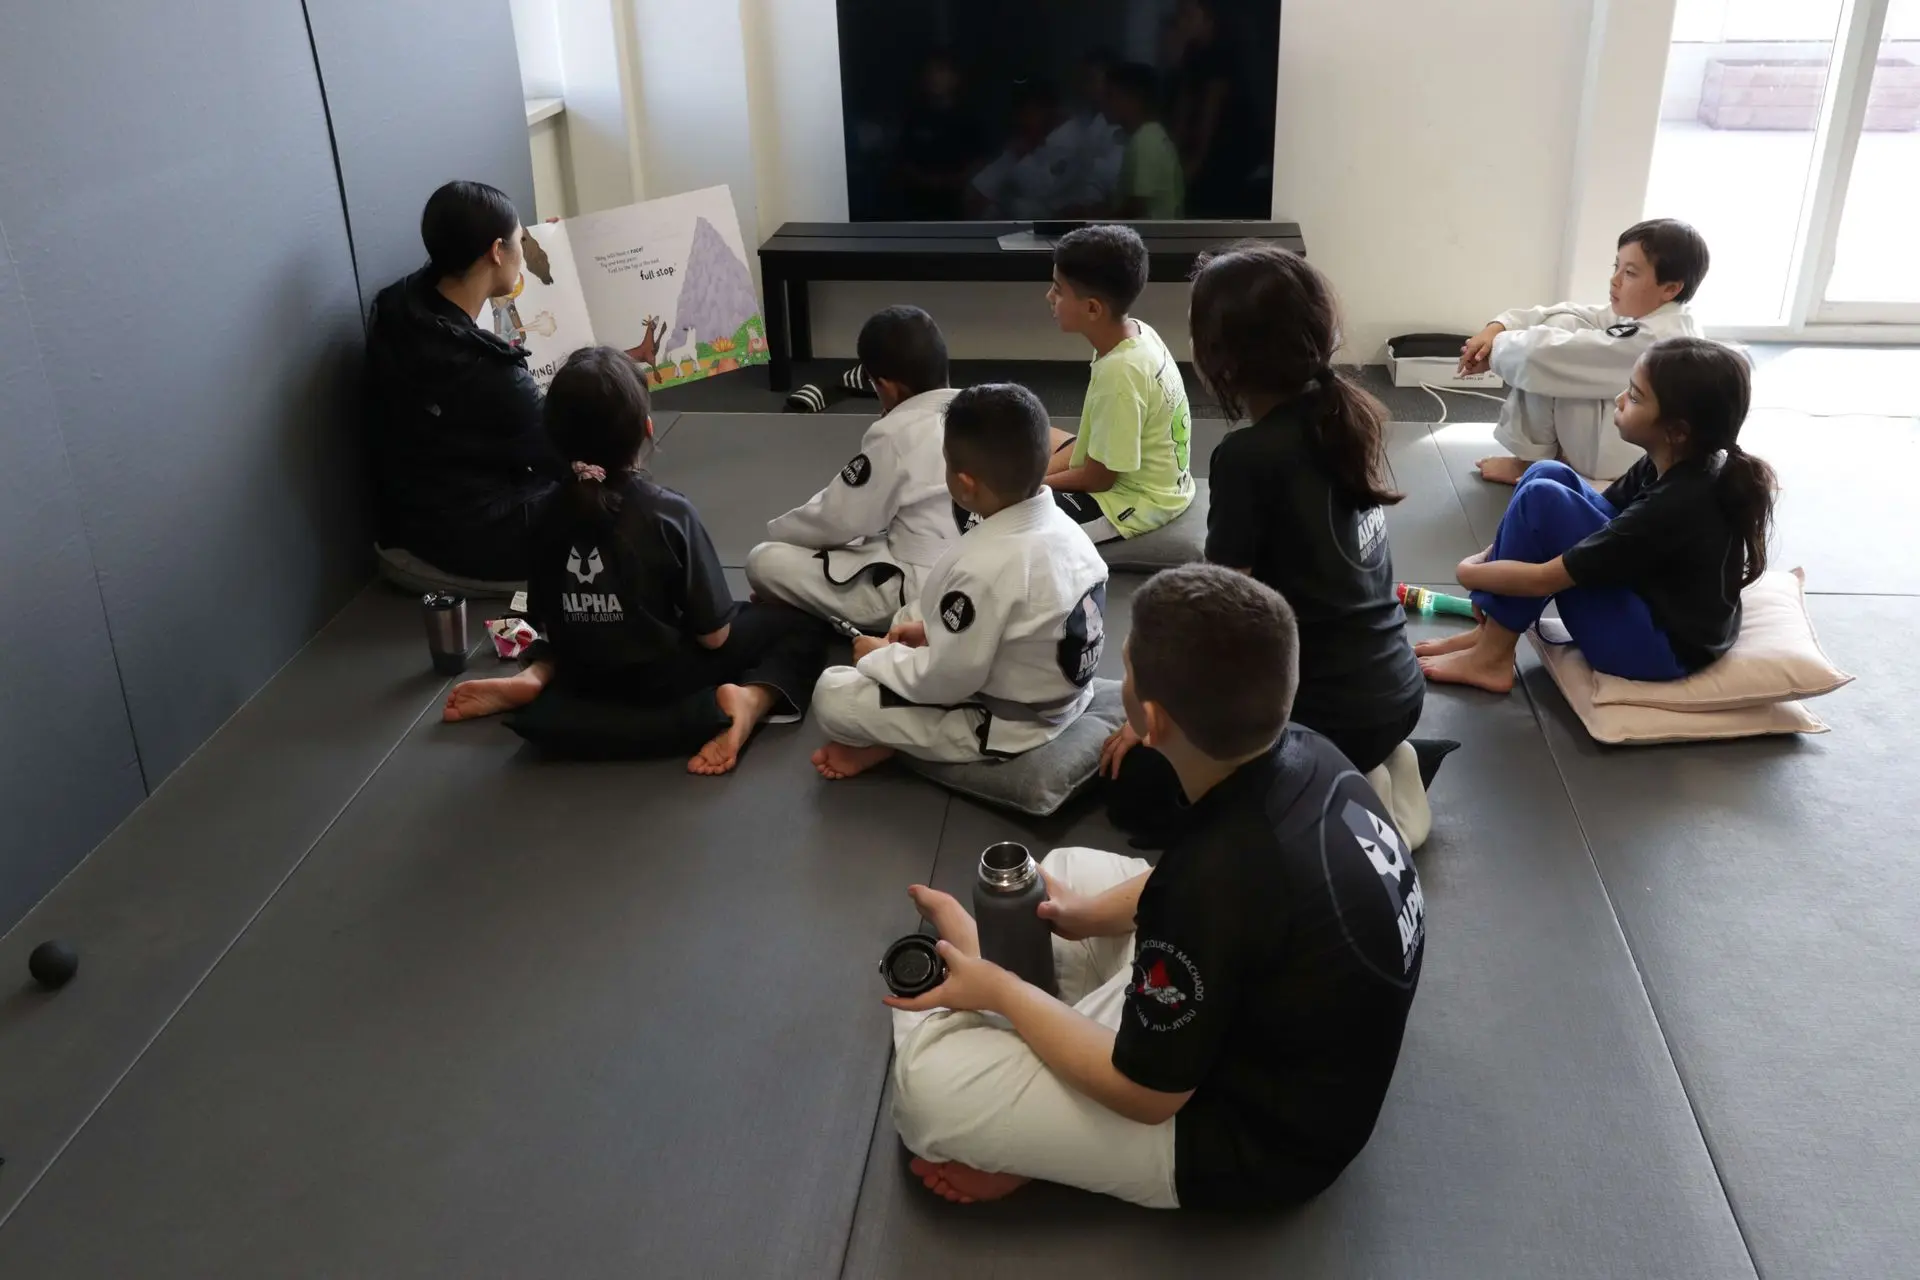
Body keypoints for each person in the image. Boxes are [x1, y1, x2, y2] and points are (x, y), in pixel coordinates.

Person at [883, 564, 1425, 1210]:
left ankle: (1019, 1079)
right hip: (1276, 1016)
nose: (1123, 663)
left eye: (1129, 663)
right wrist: (1081, 916)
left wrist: (999, 990)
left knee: (926, 1092)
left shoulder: (1216, 875)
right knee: (1071, 874)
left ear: (1153, 721)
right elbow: (1187, 893)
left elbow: (1147, 1096)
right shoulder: (1304, 748)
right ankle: (1040, 1079)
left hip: (1253, 1143)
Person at [1101, 243, 1442, 847]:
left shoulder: (1246, 459)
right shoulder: (1347, 412)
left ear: (1221, 359)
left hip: (1329, 712)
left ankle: (1342, 791)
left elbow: (1211, 620)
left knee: (1135, 794)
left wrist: (1150, 710)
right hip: (1397, 691)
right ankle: (1381, 767)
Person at [442, 347, 831, 775]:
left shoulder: (542, 514)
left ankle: (536, 676)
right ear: (647, 429)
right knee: (802, 624)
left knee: (571, 638)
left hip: (581, 671)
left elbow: (544, 616)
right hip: (661, 681)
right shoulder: (670, 513)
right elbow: (715, 638)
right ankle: (751, 701)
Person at [1418, 337, 1776, 694]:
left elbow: (1545, 579)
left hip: (1660, 650)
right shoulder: (1673, 459)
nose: (1620, 399)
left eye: (1635, 397)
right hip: (1652, 601)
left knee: (1545, 499)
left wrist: (1469, 573)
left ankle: (1491, 658)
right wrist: (1492, 563)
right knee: (1547, 474)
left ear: (1677, 431)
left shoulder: (1676, 503)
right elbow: (1593, 518)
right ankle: (1490, 636)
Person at [810, 383, 1109, 780]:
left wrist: (879, 658)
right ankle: (900, 733)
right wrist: (930, 633)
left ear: (965, 484)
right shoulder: (1070, 533)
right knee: (917, 614)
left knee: (832, 695)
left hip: (1011, 722)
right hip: (1055, 688)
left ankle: (897, 746)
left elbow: (945, 681)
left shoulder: (986, 566)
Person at [365, 180, 567, 582]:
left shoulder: (396, 308)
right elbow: (564, 456)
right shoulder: (494, 375)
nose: (524, 257)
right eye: (519, 243)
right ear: (496, 251)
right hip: (470, 536)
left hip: (413, 516)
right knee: (615, 497)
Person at [746, 307, 961, 632]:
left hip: (921, 595)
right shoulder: (982, 411)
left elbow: (837, 519)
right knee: (873, 535)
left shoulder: (897, 434)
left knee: (763, 561)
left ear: (886, 387)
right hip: (986, 579)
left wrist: (785, 538)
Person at [1465, 219, 1710, 486]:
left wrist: (1492, 351)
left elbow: (1543, 357)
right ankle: (1545, 459)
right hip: (1633, 448)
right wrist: (1499, 327)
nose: (1614, 280)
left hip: (1628, 465)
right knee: (1559, 328)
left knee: (1549, 361)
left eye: (1629, 273)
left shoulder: (1658, 340)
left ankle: (1532, 462)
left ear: (1671, 288)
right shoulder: (1665, 315)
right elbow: (1573, 314)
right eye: (1616, 267)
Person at [1043, 225, 1195, 545]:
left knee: (999, 514)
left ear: (1093, 308)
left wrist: (1035, 487)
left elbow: (1098, 480)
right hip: (1148, 479)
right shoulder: (1137, 332)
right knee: (1037, 433)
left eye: (1058, 290)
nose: (1049, 297)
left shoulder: (1121, 373)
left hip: (1132, 503)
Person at [1106, 63, 1184, 219]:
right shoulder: (1152, 134)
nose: (1104, 103)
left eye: (1110, 96)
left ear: (1132, 99)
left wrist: (1095, 224)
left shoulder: (1145, 140)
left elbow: (1137, 208)